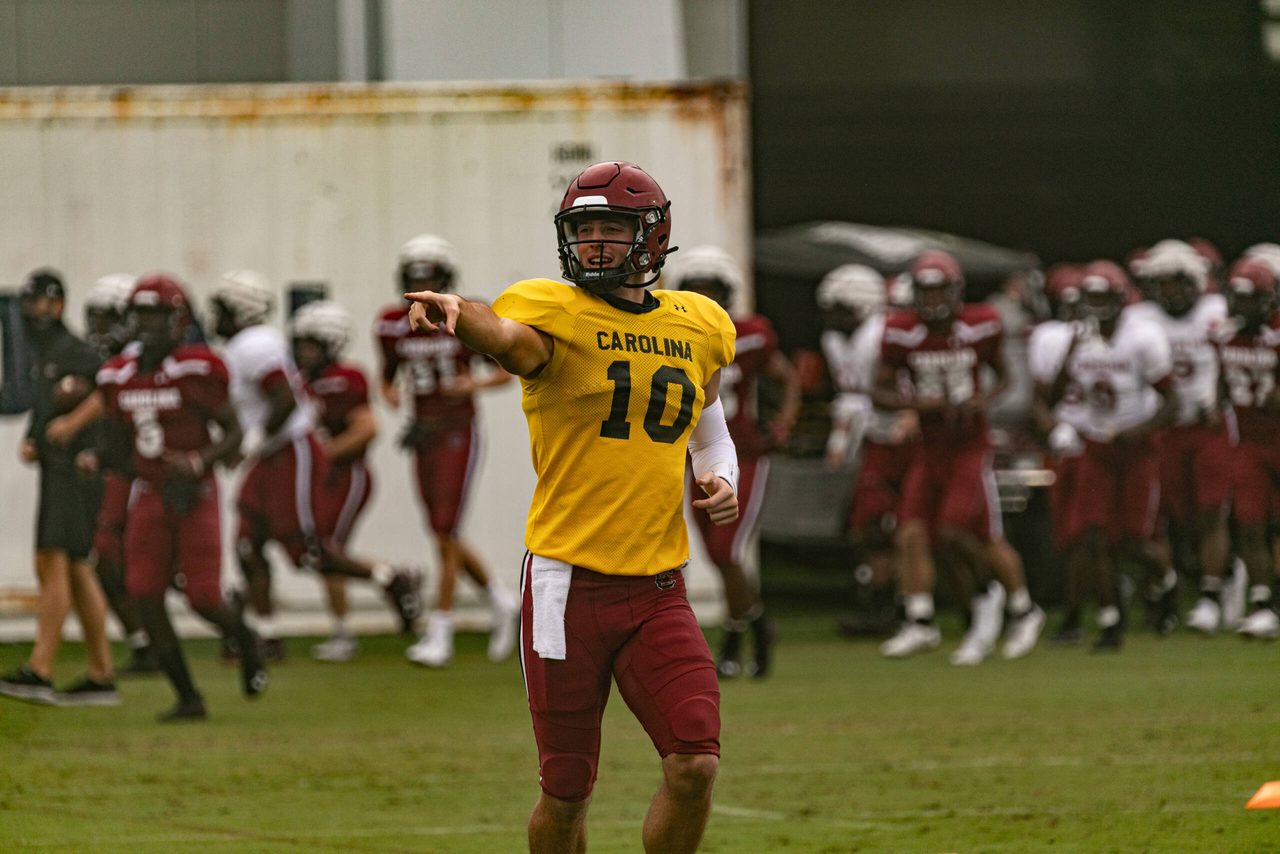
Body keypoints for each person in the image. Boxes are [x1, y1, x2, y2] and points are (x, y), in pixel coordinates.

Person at [405, 161, 738, 854]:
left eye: (611, 229)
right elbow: (506, 338)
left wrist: (718, 476)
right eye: (583, 229)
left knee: (695, 764)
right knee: (565, 794)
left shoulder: (699, 323)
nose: (593, 243)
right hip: (565, 586)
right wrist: (458, 313)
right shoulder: (552, 310)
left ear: (651, 236)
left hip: (658, 586)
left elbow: (709, 422)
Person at [63, 273, 267, 719]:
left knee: (204, 598)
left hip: (195, 492)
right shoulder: (120, 374)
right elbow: (118, 441)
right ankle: (188, 698)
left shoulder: (196, 367)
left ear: (177, 320)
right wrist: (95, 456)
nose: (148, 325)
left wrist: (197, 462)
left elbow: (233, 431)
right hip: (151, 492)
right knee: (144, 593)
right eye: (141, 315)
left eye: (157, 316)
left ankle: (247, 639)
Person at [211, 270, 421, 660]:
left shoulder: (255, 344)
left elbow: (285, 399)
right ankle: (265, 633)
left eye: (220, 308)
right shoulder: (248, 345)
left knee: (309, 552)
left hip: (290, 450)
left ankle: (391, 579)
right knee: (247, 543)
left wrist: (249, 442)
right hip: (271, 455)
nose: (213, 317)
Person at [873, 250, 1045, 665]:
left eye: (938, 291)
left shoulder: (980, 324)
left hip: (970, 447)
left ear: (955, 292)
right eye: (925, 292)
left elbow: (1003, 376)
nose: (932, 302)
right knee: (911, 531)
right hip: (928, 449)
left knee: (958, 532)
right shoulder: (900, 332)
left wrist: (978, 400)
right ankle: (921, 619)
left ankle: (1010, 605)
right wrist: (917, 404)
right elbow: (877, 390)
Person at [375, 236, 518, 668]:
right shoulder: (390, 323)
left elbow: (504, 373)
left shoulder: (463, 311)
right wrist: (391, 396)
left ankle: (441, 630)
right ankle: (500, 600)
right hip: (423, 432)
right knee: (443, 532)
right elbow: (385, 377)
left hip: (459, 430)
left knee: (444, 530)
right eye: (414, 274)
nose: (421, 281)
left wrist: (472, 383)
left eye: (428, 273)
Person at [666, 245, 798, 678]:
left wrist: (782, 424)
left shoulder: (749, 333)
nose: (704, 298)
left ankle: (734, 637)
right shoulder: (665, 332)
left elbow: (786, 376)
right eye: (695, 290)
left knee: (729, 548)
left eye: (712, 290)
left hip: (743, 454)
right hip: (692, 455)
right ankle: (759, 624)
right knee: (714, 554)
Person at [1045, 261, 1180, 650]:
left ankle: (1169, 580)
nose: (1098, 305)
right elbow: (1053, 398)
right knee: (1093, 535)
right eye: (1092, 297)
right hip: (1096, 447)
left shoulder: (1142, 338)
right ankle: (1111, 620)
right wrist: (1069, 357)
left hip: (1136, 449)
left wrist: (1136, 431)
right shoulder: (1078, 339)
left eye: (1104, 297)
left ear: (1121, 300)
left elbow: (1172, 400)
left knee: (1133, 541)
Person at [0, 270, 118, 707]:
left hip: (74, 472)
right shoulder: (45, 353)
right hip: (57, 469)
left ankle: (41, 669)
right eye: (30, 304)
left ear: (60, 304)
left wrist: (72, 424)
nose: (35, 312)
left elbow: (107, 393)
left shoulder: (76, 351)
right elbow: (48, 403)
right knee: (76, 566)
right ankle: (102, 675)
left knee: (51, 560)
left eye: (43, 303)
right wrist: (34, 438)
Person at [1127, 240, 1231, 635]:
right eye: (1163, 284)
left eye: (1178, 283)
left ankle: (1210, 595)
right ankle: (1210, 578)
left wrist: (1220, 400)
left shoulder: (1217, 312)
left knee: (1210, 511)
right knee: (1175, 517)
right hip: (1163, 430)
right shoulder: (1140, 318)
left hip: (1207, 426)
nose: (1171, 293)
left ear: (1195, 283)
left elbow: (1237, 356)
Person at [818, 264, 916, 636]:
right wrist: (841, 440)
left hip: (903, 440)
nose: (832, 318)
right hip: (876, 438)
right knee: (868, 525)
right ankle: (881, 603)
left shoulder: (882, 335)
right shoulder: (845, 340)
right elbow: (851, 398)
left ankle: (904, 606)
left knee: (901, 525)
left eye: (840, 309)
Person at [79, 273, 159, 674]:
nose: (97, 329)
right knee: (109, 559)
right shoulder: (114, 364)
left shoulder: (137, 363)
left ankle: (155, 642)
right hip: (121, 471)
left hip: (143, 473)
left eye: (106, 318)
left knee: (141, 560)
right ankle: (146, 644)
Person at [290, 300, 379, 662]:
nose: (302, 352)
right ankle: (393, 578)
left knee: (328, 548)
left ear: (331, 343)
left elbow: (368, 429)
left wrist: (323, 453)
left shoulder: (346, 378)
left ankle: (344, 631)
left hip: (347, 475)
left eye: (311, 344)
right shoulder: (302, 381)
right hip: (322, 478)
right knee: (322, 549)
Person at [1212, 257, 1280, 638]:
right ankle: (1262, 605)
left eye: (1249, 300)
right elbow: (1224, 379)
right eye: (1237, 299)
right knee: (1250, 525)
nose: (1241, 308)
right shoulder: (1223, 334)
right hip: (1250, 444)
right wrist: (1217, 400)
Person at [1028, 264, 1092, 643]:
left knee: (1088, 533)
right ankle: (1086, 609)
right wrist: (1055, 427)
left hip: (1103, 441)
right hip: (1067, 442)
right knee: (1070, 533)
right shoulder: (1048, 336)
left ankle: (1090, 610)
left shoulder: (1122, 333)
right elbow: (1042, 398)